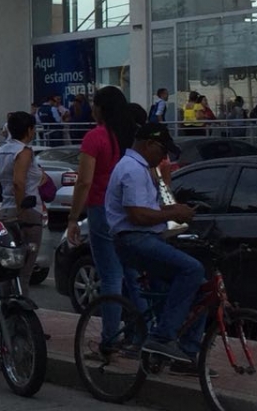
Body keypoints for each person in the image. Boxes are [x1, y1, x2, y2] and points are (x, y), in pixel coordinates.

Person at [107, 123, 203, 366]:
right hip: (134, 240)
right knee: (192, 270)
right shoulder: (132, 169)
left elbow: (148, 209)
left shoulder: (143, 169)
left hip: (147, 238)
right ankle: (161, 337)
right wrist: (172, 214)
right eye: (162, 150)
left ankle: (186, 353)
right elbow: (137, 215)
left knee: (201, 288)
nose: (164, 157)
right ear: (149, 144)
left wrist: (174, 210)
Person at [66, 86, 138, 345]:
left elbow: (84, 181)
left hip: (101, 209)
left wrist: (73, 218)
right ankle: (136, 335)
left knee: (110, 277)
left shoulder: (95, 137)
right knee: (131, 274)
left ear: (101, 109)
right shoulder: (129, 136)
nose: (91, 109)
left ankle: (109, 340)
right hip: (130, 209)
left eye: (94, 104)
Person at [0, 111, 48, 295]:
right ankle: (20, 311)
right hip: (27, 213)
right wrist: (22, 210)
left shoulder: (1, 152)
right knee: (24, 271)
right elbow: (18, 182)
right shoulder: (24, 152)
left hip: (6, 212)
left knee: (7, 270)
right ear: (29, 130)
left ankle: (4, 309)